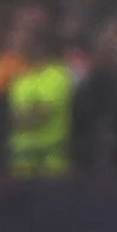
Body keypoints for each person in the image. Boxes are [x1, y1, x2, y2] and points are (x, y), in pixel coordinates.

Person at [6, 21, 77, 178]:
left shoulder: (58, 75)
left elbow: (39, 116)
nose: (13, 39)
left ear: (36, 43)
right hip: (21, 168)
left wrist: (10, 120)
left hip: (51, 168)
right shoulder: (21, 78)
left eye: (19, 35)